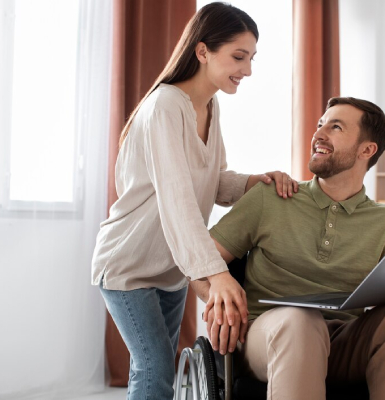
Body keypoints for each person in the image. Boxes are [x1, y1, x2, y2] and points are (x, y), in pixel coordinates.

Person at [91, 3, 298, 399]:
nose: (248, 70)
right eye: (239, 56)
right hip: (129, 266)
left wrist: (256, 181)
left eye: (251, 58)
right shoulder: (166, 106)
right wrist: (216, 273)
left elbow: (215, 182)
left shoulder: (209, 106)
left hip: (169, 268)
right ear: (202, 51)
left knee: (157, 365)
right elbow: (178, 201)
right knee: (153, 369)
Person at [192, 97, 385, 400]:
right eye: (320, 125)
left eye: (336, 127)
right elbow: (199, 263)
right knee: (301, 321)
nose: (318, 134)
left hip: (343, 342)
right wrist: (217, 296)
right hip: (267, 337)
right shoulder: (272, 196)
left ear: (367, 150)